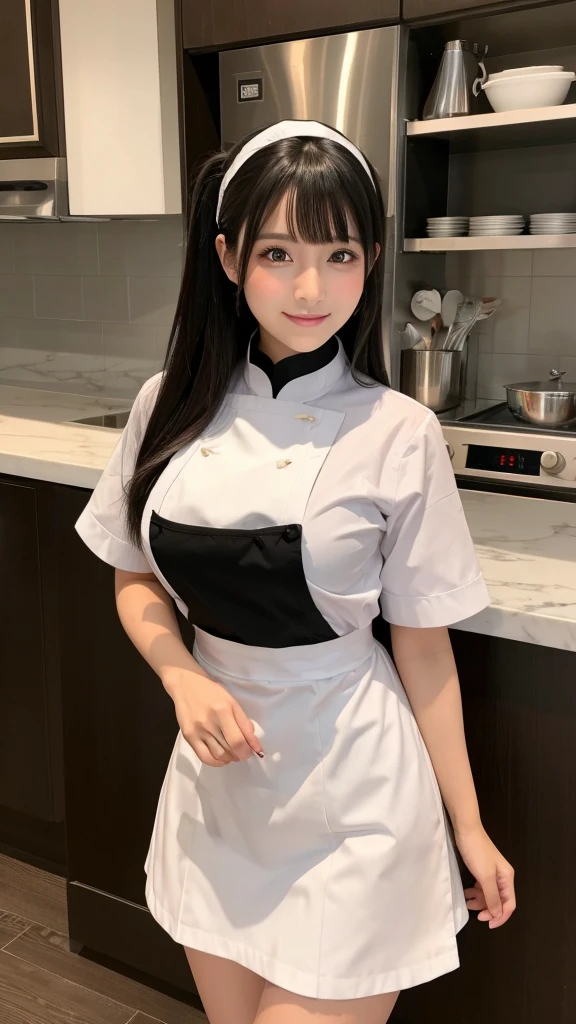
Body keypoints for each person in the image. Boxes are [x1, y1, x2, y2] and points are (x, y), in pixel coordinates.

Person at [75, 120, 516, 1024]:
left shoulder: (400, 431)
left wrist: (466, 825)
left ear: (373, 258)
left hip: (354, 792)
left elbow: (425, 651)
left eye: (340, 253)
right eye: (278, 252)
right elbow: (134, 579)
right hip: (218, 793)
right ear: (230, 258)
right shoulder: (169, 403)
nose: (312, 288)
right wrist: (182, 677)